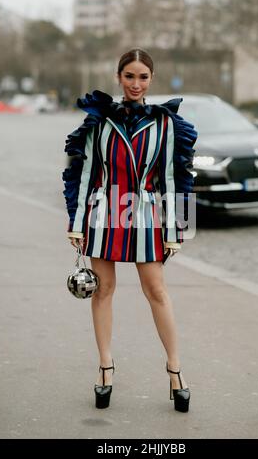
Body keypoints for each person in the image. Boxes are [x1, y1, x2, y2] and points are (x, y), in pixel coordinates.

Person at [62, 48, 198, 412]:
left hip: (146, 215)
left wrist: (178, 229)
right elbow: (84, 174)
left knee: (157, 291)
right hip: (103, 213)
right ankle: (105, 368)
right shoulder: (99, 121)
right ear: (118, 77)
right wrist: (76, 222)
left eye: (143, 77)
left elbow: (178, 178)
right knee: (103, 291)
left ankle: (175, 371)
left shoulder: (167, 124)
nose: (136, 83)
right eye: (129, 76)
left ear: (151, 79)